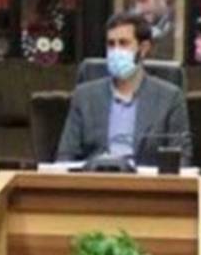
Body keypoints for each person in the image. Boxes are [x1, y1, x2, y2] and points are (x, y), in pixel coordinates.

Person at [56, 12, 191, 166]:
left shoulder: (170, 98)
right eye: (111, 44)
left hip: (145, 180)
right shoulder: (84, 96)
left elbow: (182, 161)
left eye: (123, 43)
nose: (116, 51)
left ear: (143, 48)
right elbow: (65, 157)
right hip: (96, 178)